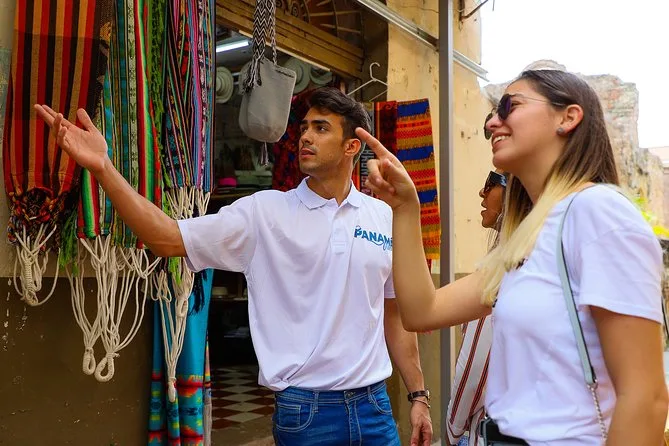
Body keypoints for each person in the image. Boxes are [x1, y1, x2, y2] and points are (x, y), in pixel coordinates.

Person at [35, 87, 433, 446]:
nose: (305, 137)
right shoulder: (264, 213)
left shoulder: (384, 216)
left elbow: (394, 314)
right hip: (306, 414)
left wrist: (418, 396)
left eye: (321, 128)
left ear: (352, 146)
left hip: (375, 406)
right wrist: (103, 168)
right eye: (304, 128)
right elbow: (166, 237)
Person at [357, 69, 668, 445]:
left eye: (510, 106)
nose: (492, 123)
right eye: (493, 113)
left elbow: (645, 399)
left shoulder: (597, 212)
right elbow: (422, 312)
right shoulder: (528, 237)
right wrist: (406, 208)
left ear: (568, 117)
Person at [447, 169, 506, 446]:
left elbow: (473, 371)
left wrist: (452, 430)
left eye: (491, 183)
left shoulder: (502, 268)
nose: (482, 192)